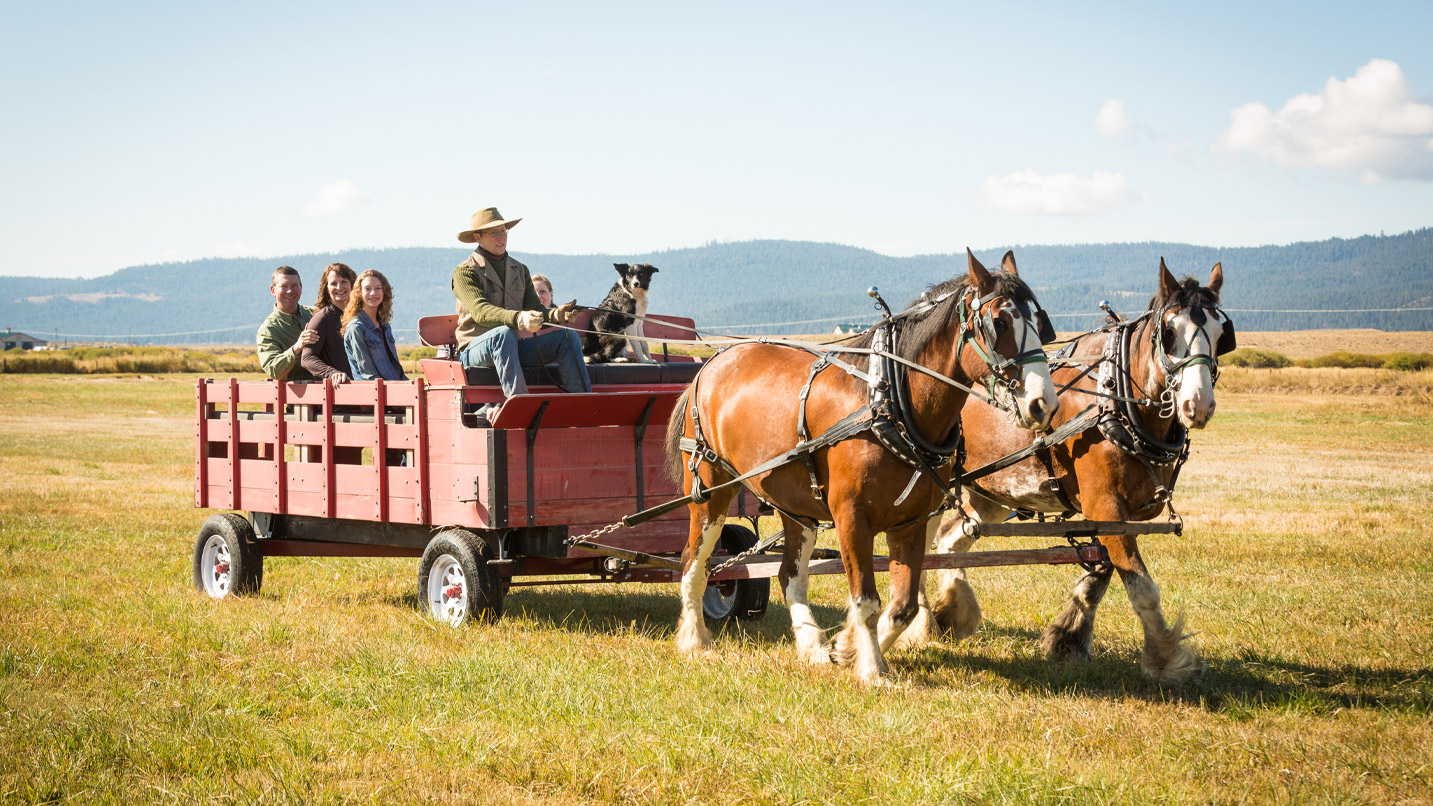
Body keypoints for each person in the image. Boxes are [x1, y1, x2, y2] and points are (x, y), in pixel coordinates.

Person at [452, 208, 587, 421]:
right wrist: (518, 318)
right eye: (493, 232)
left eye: (503, 230)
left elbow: (537, 311)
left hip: (511, 346)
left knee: (567, 338)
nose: (501, 237)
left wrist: (556, 315)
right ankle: (521, 407)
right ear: (477, 237)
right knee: (504, 333)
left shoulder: (519, 269)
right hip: (474, 350)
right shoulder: (465, 272)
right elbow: (480, 312)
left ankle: (583, 407)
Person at [342, 270, 408, 382]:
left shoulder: (385, 326)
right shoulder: (356, 328)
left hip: (393, 388)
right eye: (367, 289)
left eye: (378, 288)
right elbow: (369, 375)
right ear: (359, 293)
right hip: (373, 393)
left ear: (384, 292)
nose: (373, 293)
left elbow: (396, 370)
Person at [257, 266, 317, 381]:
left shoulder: (315, 315)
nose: (290, 291)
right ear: (273, 290)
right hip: (292, 396)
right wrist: (296, 348)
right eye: (284, 286)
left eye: (294, 286)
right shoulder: (268, 330)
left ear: (301, 287)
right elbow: (274, 370)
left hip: (329, 390)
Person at [301, 262, 357, 383]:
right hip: (335, 392)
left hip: (361, 389)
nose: (339, 287)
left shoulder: (359, 317)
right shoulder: (322, 319)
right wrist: (332, 373)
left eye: (344, 282)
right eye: (333, 283)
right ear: (326, 288)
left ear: (352, 285)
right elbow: (307, 358)